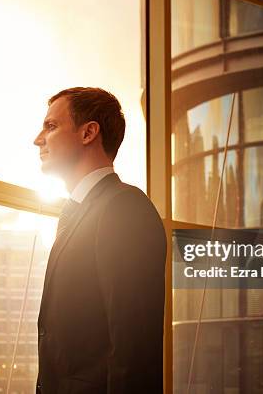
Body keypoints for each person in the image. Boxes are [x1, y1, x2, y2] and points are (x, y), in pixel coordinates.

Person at [33, 87, 166, 393]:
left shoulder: (124, 208)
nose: (38, 139)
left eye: (51, 126)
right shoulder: (79, 212)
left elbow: (136, 351)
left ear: (88, 132)